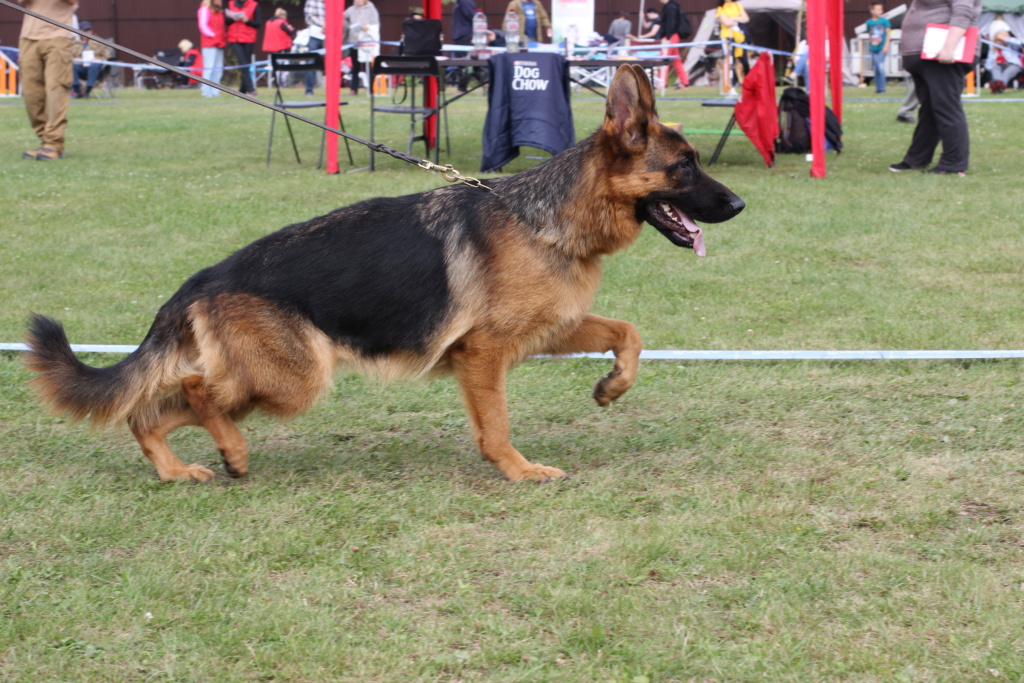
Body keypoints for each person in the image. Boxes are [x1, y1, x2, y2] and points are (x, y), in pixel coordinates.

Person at [888, 0, 982, 175]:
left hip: (942, 54)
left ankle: (953, 164)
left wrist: (949, 47)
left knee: (947, 108)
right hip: (926, 55)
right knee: (930, 110)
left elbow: (963, 11)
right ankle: (917, 159)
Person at [18, 0, 77, 160]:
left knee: (55, 90)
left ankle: (53, 144)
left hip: (58, 35)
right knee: (31, 94)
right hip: (28, 36)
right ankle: (45, 141)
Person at [344, 0, 379, 95]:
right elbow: (342, 18)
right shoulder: (350, 10)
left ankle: (371, 89)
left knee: (368, 67)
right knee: (355, 67)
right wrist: (349, 27)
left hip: (366, 43)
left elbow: (375, 24)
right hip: (354, 41)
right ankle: (354, 89)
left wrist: (367, 27)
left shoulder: (372, 9)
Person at [225, 0, 260, 95]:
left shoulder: (254, 5)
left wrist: (247, 21)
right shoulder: (231, 3)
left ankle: (242, 91)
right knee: (243, 63)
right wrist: (234, 18)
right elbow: (226, 21)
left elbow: (258, 24)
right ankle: (251, 89)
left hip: (249, 39)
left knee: (246, 65)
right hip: (235, 39)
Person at [71, 20, 112, 99]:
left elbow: (107, 56)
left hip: (96, 70)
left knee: (95, 65)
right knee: (72, 65)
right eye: (85, 31)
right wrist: (76, 60)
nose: (87, 32)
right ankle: (76, 90)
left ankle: (87, 91)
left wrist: (98, 59)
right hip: (81, 69)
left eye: (89, 30)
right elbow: (68, 56)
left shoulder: (98, 41)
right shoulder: (74, 42)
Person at [657, 0, 691, 88]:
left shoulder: (670, 7)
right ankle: (684, 81)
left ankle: (662, 83)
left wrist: (668, 37)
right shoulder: (673, 6)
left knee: (663, 59)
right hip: (673, 36)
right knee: (676, 60)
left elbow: (670, 23)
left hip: (670, 36)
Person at [716, 0, 749, 85]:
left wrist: (733, 18)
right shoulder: (720, 8)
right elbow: (726, 22)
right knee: (730, 60)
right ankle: (731, 83)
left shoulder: (738, 5)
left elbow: (746, 19)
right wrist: (738, 19)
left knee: (744, 61)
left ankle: (748, 81)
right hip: (728, 37)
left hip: (739, 37)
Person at [198, 0, 226, 97]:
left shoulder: (219, 11)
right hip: (210, 43)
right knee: (209, 69)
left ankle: (215, 92)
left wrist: (221, 37)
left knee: (218, 69)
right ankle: (206, 92)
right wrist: (214, 36)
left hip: (220, 43)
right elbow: (203, 26)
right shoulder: (204, 9)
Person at [866, 2, 892, 93]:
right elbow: (869, 34)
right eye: (877, 9)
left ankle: (882, 89)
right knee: (876, 68)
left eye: (881, 9)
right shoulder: (868, 22)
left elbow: (889, 34)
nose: (880, 11)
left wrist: (886, 46)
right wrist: (870, 45)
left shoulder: (884, 21)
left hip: (882, 48)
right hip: (873, 49)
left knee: (880, 67)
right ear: (872, 11)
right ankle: (878, 88)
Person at [302, 0, 324, 95]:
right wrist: (323, 24)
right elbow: (309, 16)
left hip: (329, 34)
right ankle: (309, 89)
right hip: (315, 34)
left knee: (332, 62)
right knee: (311, 61)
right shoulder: (312, 1)